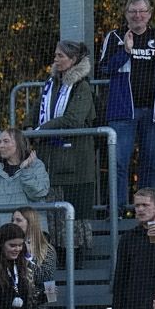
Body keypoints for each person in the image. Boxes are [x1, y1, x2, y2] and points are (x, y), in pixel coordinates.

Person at [98, 0, 155, 211]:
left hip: (154, 112)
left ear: (149, 14)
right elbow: (104, 68)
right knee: (119, 163)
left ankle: (149, 211)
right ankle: (117, 210)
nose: (138, 16)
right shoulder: (115, 37)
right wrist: (125, 51)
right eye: (133, 12)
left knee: (150, 162)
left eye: (142, 11)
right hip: (123, 112)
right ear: (126, 14)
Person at [36, 40, 100, 250]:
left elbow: (73, 119)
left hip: (76, 163)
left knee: (75, 212)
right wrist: (28, 128)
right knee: (53, 211)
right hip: (51, 161)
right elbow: (36, 112)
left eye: (60, 55)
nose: (55, 59)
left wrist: (42, 130)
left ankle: (76, 253)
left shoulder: (82, 87)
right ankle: (57, 250)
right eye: (55, 55)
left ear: (73, 60)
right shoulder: (51, 85)